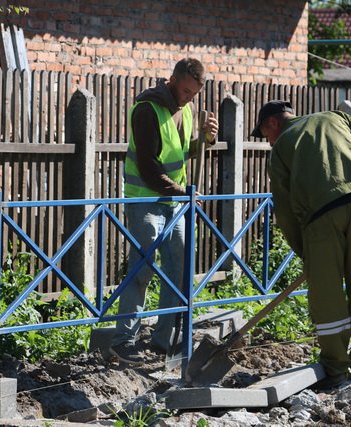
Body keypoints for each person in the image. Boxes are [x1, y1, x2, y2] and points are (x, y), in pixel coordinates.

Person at [252, 100, 351, 390]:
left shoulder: (281, 146)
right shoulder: (336, 117)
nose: (268, 142)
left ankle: (336, 369)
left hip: (321, 216)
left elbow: (285, 207)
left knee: (327, 295)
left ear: (273, 124)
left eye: (265, 135)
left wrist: (305, 252)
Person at [110, 58, 219, 364]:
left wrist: (206, 141)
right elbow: (148, 167)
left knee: (179, 270)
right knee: (142, 269)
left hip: (175, 203)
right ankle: (124, 342)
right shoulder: (147, 110)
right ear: (172, 80)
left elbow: (183, 153)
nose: (189, 98)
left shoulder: (187, 110)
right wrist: (184, 192)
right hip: (145, 199)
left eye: (194, 94)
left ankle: (165, 342)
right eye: (185, 91)